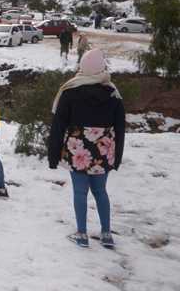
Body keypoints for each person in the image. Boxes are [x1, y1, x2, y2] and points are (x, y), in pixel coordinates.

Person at [48, 49, 125, 249]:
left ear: (82, 67)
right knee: (101, 191)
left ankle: (82, 234)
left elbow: (58, 125)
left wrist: (53, 155)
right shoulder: (113, 94)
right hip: (103, 150)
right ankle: (106, 234)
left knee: (80, 192)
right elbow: (120, 128)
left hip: (78, 150)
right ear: (101, 68)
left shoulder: (70, 92)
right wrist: (117, 157)